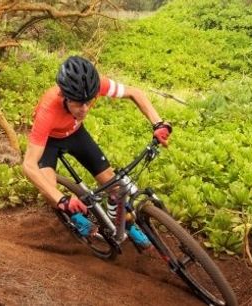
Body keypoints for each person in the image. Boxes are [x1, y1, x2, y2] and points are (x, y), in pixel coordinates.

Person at [21, 56, 172, 248]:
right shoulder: (47, 110)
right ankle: (74, 217)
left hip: (75, 133)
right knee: (48, 189)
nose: (84, 109)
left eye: (88, 102)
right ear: (64, 96)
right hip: (49, 141)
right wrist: (61, 198)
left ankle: (124, 222)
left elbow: (135, 93)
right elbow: (28, 165)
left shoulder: (96, 85)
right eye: (77, 104)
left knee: (113, 184)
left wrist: (158, 123)